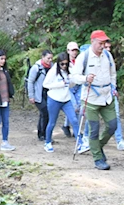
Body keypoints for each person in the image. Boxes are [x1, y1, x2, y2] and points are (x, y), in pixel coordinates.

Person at [70, 30, 119, 170]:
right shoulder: (83, 57)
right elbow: (74, 77)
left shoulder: (108, 56)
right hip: (90, 97)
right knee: (94, 129)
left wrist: (113, 87)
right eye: (100, 43)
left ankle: (97, 147)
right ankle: (98, 158)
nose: (102, 45)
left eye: (104, 43)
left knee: (112, 125)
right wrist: (85, 78)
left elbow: (113, 73)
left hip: (107, 96)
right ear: (93, 42)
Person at [42, 52, 80, 153]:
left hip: (66, 99)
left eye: (66, 64)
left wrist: (71, 81)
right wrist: (61, 84)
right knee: (52, 122)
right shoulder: (53, 71)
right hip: (54, 99)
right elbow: (46, 84)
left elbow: (71, 85)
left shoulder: (69, 70)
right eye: (62, 64)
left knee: (74, 120)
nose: (64, 66)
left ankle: (79, 142)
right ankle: (48, 142)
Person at [27, 50, 53, 141]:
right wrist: (31, 96)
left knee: (45, 114)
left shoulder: (52, 67)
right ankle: (43, 134)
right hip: (39, 94)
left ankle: (42, 133)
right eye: (48, 58)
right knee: (45, 112)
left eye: (51, 58)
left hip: (49, 94)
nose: (50, 60)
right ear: (43, 57)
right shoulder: (36, 68)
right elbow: (30, 82)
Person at [62, 41, 82, 138]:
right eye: (72, 50)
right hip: (69, 87)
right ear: (68, 51)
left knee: (78, 108)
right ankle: (71, 127)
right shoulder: (65, 62)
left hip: (78, 86)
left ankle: (73, 129)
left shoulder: (79, 61)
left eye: (76, 50)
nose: (74, 52)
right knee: (74, 108)